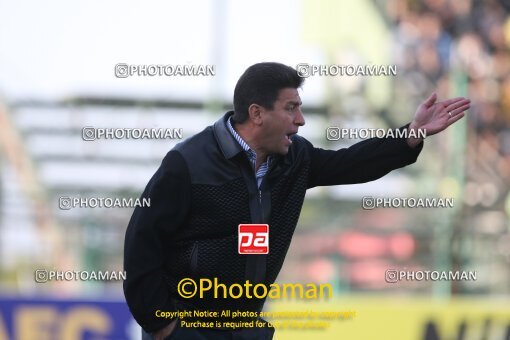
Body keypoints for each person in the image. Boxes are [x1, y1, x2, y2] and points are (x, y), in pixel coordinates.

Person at [123, 62, 470, 339]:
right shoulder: (188, 163)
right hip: (186, 329)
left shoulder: (295, 159)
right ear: (257, 113)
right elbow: (141, 244)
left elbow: (351, 163)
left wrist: (410, 134)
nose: (300, 120)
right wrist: (162, 325)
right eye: (291, 109)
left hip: (245, 329)